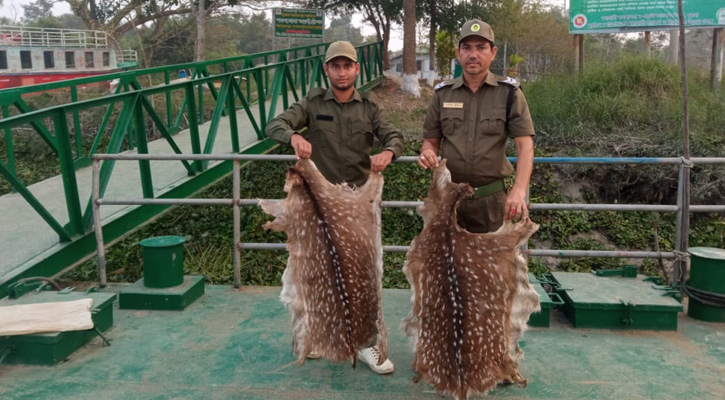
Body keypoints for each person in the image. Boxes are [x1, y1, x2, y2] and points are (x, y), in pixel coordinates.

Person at [265, 40, 403, 374]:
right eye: (335, 66)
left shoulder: (369, 106)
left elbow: (394, 136)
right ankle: (312, 335)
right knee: (307, 273)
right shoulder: (311, 103)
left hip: (357, 208)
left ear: (357, 69)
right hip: (317, 208)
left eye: (348, 65)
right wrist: (293, 137)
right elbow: (274, 125)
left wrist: (389, 153)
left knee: (368, 274)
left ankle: (367, 343)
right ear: (326, 70)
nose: (342, 72)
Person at [418, 19, 535, 233]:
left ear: (493, 52)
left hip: (490, 203)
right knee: (446, 265)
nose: (473, 54)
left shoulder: (509, 93)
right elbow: (431, 141)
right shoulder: (443, 94)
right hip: (447, 200)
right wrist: (427, 152)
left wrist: (519, 190)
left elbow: (525, 146)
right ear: (458, 53)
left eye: (481, 48)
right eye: (467, 48)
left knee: (493, 266)